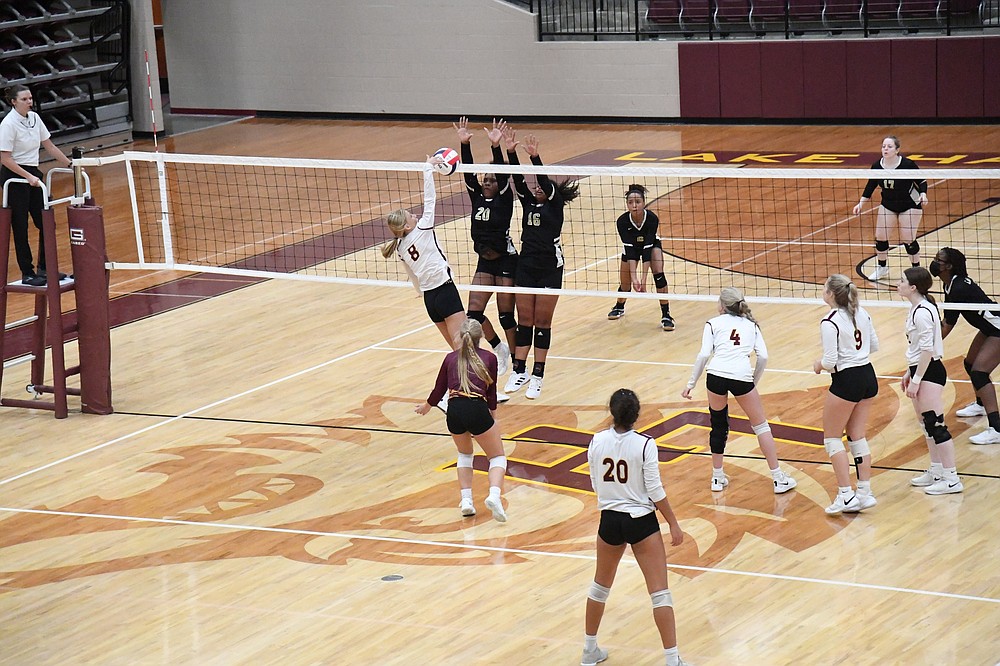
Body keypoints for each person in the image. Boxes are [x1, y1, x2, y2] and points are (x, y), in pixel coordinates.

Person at [582, 388, 688, 666]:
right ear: (636, 415)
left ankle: (589, 649)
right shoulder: (645, 444)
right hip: (640, 521)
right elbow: (654, 489)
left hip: (609, 519)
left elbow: (595, 483)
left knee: (599, 587)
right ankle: (672, 659)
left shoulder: (597, 440)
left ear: (611, 412)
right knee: (659, 592)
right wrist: (674, 523)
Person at [681, 287, 797, 494]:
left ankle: (717, 478)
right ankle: (779, 478)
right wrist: (753, 381)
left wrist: (691, 383)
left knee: (718, 424)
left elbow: (703, 355)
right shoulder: (752, 326)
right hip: (741, 377)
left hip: (715, 376)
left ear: (723, 306)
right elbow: (763, 357)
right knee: (761, 426)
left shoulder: (712, 323)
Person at [502, 130, 579, 400]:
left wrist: (536, 158)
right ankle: (519, 370)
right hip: (526, 265)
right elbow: (519, 180)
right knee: (525, 320)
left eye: (542, 188)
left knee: (542, 322)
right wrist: (511, 152)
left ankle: (538, 375)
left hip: (550, 267)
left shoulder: (554, 206)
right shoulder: (527, 202)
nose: (536, 188)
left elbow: (543, 182)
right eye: (535, 187)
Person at [415, 318, 508, 522]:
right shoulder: (490, 359)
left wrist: (426, 407)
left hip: (454, 410)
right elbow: (491, 394)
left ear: (459, 336)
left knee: (465, 454)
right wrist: (492, 417)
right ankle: (494, 496)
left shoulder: (450, 358)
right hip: (477, 409)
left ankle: (466, 501)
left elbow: (439, 388)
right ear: (481, 337)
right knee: (497, 457)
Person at [381, 153, 467, 352]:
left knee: (457, 352)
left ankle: (459, 384)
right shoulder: (422, 228)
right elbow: (430, 199)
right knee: (464, 351)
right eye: (411, 216)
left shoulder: (400, 248)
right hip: (445, 292)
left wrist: (420, 292)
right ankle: (474, 383)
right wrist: (428, 169)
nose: (416, 215)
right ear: (407, 226)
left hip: (430, 300)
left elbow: (413, 277)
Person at [453, 116, 516, 382]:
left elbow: (502, 173)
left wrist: (495, 147)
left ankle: (519, 364)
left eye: (491, 179)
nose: (487, 182)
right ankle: (499, 348)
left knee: (506, 315)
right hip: (485, 262)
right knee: (473, 314)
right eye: (485, 179)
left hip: (506, 261)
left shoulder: (504, 198)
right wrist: (464, 144)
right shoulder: (477, 196)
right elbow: (468, 172)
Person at [812, 275, 881, 514]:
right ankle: (864, 492)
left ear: (831, 294)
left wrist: (819, 364)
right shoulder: (862, 312)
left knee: (832, 438)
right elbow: (874, 346)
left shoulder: (829, 321)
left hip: (847, 380)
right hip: (868, 376)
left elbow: (831, 361)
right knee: (856, 435)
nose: (822, 291)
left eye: (824, 288)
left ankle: (846, 495)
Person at [898, 267, 964, 494]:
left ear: (913, 287)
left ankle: (952, 479)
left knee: (936, 425)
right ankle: (936, 470)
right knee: (926, 425)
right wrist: (910, 372)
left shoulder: (923, 312)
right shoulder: (917, 307)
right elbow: (917, 348)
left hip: (930, 372)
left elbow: (928, 350)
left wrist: (916, 379)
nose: (899, 284)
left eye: (902, 281)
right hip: (920, 369)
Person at [0, 84, 73, 286]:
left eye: (30, 98)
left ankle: (45, 267)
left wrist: (70, 164)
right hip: (14, 176)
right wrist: (27, 177)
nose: (29, 102)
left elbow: (49, 145)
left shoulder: (35, 118)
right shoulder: (8, 124)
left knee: (45, 221)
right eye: (24, 99)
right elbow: (5, 158)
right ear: (13, 102)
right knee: (20, 225)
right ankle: (27, 272)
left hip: (33, 172)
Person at [930, 247, 1000, 445]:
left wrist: (927, 347)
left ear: (949, 266)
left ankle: (996, 428)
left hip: (997, 328)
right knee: (970, 364)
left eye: (939, 260)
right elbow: (947, 321)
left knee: (979, 372)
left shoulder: (959, 288)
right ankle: (980, 405)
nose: (935, 262)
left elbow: (948, 325)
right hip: (989, 327)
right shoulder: (950, 284)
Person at [852, 135, 928, 283]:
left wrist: (923, 194)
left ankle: (916, 271)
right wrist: (861, 204)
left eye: (889, 146)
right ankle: (882, 267)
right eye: (883, 146)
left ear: (897, 150)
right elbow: (870, 185)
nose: (885, 149)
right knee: (880, 236)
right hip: (889, 204)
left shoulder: (907, 164)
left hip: (910, 204)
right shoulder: (877, 166)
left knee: (908, 238)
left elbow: (922, 180)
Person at [606, 183, 676, 331]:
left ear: (644, 203)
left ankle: (666, 315)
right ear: (627, 204)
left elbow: (647, 248)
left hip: (650, 246)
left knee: (658, 273)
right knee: (625, 285)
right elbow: (630, 250)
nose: (634, 206)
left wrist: (644, 279)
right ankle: (620, 306)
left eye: (637, 202)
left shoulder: (651, 219)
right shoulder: (622, 221)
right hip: (631, 247)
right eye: (630, 202)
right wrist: (634, 278)